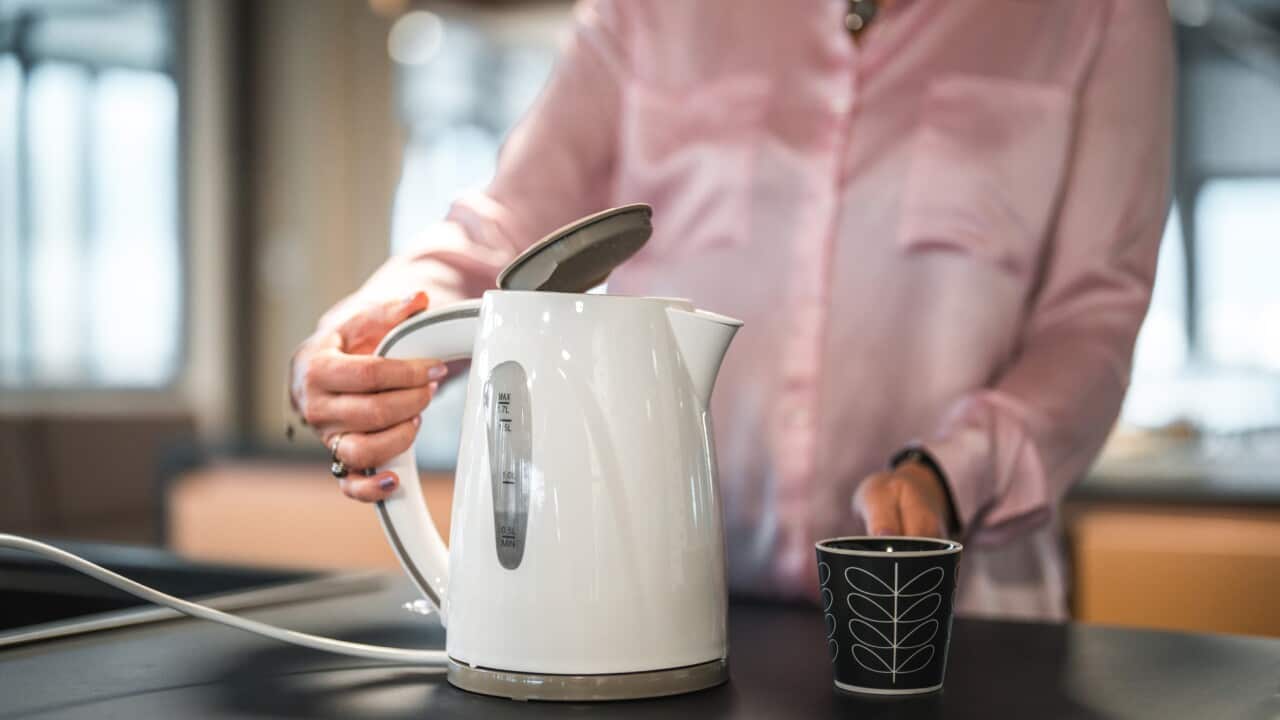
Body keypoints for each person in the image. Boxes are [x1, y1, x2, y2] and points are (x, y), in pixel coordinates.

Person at [290, 0, 1173, 620]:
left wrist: (955, 471)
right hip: (655, 602)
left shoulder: (1098, 14)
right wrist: (376, 333)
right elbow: (507, 232)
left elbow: (1093, 317)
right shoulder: (647, 11)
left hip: (954, 621)